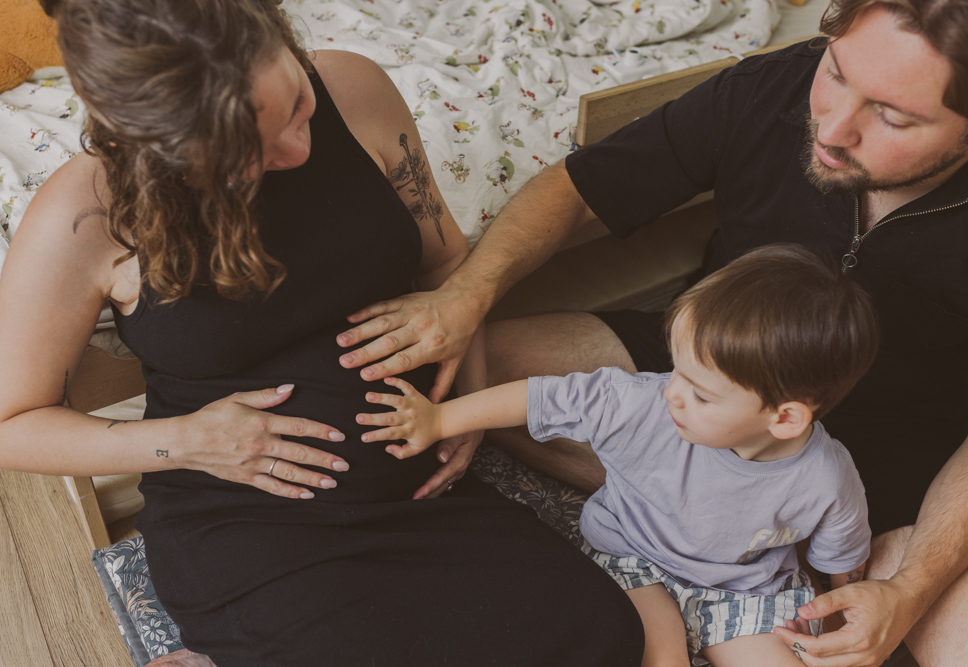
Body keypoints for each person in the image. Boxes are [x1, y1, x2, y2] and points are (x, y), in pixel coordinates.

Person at [333, 0, 968, 664]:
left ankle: (745, 545)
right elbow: (577, 187)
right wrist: (464, 295)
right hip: (714, 366)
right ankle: (692, 528)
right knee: (468, 371)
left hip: (899, 462)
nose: (832, 125)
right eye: (837, 71)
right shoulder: (770, 88)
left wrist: (910, 590)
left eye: (891, 115)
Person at [0, 0, 646, 664]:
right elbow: (11, 423)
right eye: (246, 159)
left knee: (605, 637)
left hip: (421, 495)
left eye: (299, 108)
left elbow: (448, 263)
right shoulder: (88, 216)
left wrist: (466, 402)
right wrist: (183, 440)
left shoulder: (353, 88)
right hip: (251, 519)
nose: (299, 149)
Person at [356, 245, 879, 667]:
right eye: (677, 370)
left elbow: (841, 562)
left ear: (784, 419)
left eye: (700, 393)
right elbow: (539, 396)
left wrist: (836, 616)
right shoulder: (642, 403)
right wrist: (439, 420)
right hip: (635, 557)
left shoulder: (827, 477)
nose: (673, 392)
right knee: (659, 659)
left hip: (745, 588)